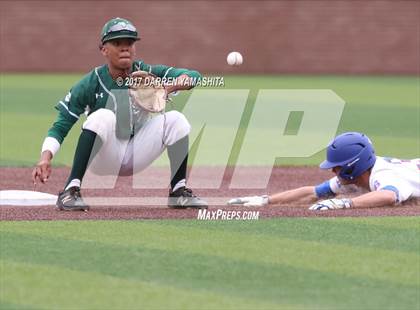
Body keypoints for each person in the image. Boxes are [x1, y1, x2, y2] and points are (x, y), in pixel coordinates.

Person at [32, 17, 208, 211]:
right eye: (117, 43)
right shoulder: (92, 81)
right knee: (103, 117)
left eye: (129, 43)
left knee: (176, 119)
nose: (125, 48)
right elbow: (62, 124)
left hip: (138, 152)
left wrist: (166, 88)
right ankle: (70, 190)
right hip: (104, 157)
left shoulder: (147, 72)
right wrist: (45, 158)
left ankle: (178, 192)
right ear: (104, 49)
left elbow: (194, 76)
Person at [228, 132, 419, 210]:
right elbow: (314, 192)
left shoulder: (383, 175)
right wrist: (266, 200)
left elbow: (388, 196)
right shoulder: (359, 177)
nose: (333, 171)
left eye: (337, 166)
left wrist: (344, 204)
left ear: (354, 165)